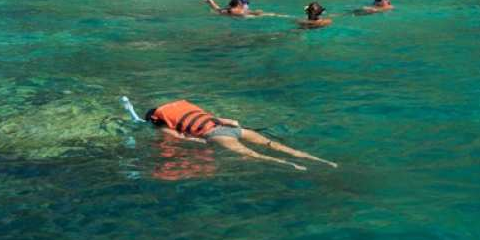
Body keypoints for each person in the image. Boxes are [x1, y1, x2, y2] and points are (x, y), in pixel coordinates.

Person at [143, 99, 336, 170]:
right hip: (236, 129)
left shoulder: (161, 124)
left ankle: (291, 165)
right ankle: (323, 161)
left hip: (217, 136)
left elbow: (181, 138)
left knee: (254, 155)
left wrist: (200, 143)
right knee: (274, 145)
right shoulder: (187, 108)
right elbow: (230, 121)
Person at [202, 0, 274, 17]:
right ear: (240, 4)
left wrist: (211, 1)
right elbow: (258, 13)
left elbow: (217, 8)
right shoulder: (243, 12)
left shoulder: (226, 10)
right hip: (244, 17)